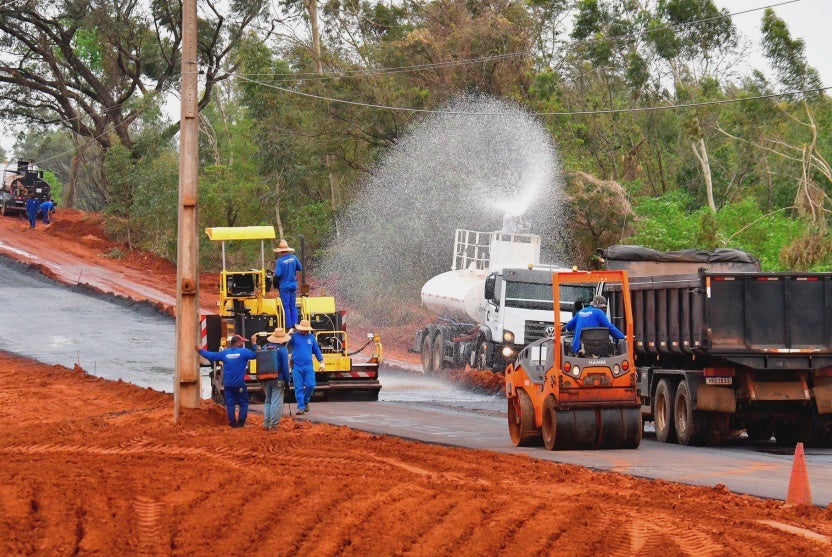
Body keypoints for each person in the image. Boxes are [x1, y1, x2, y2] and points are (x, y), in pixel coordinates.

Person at [196, 334, 257, 428]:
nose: (243, 343)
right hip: (239, 384)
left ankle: (232, 423)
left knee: (230, 404)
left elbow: (211, 356)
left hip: (228, 384)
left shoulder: (225, 353)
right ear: (237, 342)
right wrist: (254, 343)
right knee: (244, 403)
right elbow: (255, 355)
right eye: (242, 342)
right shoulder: (244, 352)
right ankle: (241, 423)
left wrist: (200, 350)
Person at [255, 327, 292, 430]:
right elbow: (285, 367)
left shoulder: (265, 347)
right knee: (276, 401)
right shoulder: (282, 350)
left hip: (266, 377)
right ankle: (273, 425)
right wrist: (287, 381)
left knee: (268, 401)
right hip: (278, 378)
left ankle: (266, 424)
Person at [288, 319, 324, 415]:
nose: (305, 331)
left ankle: (305, 401)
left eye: (306, 329)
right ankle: (301, 407)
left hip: (308, 365)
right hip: (296, 365)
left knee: (311, 385)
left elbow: (316, 350)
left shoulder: (311, 337)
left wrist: (321, 361)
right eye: (303, 329)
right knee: (298, 387)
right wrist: (288, 334)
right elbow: (284, 343)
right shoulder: (294, 336)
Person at [273, 239, 302, 330]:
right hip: (293, 285)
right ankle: (295, 324)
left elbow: (277, 274)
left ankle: (289, 326)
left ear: (280, 251)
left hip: (284, 286)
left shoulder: (279, 261)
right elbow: (300, 268)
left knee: (286, 306)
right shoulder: (294, 258)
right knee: (293, 305)